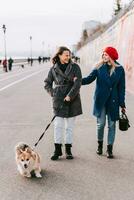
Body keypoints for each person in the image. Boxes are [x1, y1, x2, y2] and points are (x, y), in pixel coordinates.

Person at [82, 47, 126, 158]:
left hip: (113, 101)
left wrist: (122, 104)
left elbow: (121, 88)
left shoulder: (120, 69)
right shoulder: (99, 67)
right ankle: (99, 145)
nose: (104, 56)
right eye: (103, 54)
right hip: (100, 100)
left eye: (106, 55)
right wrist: (77, 81)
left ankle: (109, 149)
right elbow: (89, 79)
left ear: (111, 56)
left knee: (112, 125)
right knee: (100, 124)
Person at [44, 46, 82, 160]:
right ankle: (57, 150)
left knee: (69, 127)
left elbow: (78, 82)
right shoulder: (53, 69)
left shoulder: (75, 67)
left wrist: (70, 96)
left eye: (69, 54)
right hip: (58, 99)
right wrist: (53, 93)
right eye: (66, 55)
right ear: (59, 55)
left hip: (73, 99)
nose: (68, 57)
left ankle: (68, 150)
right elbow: (47, 83)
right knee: (58, 126)